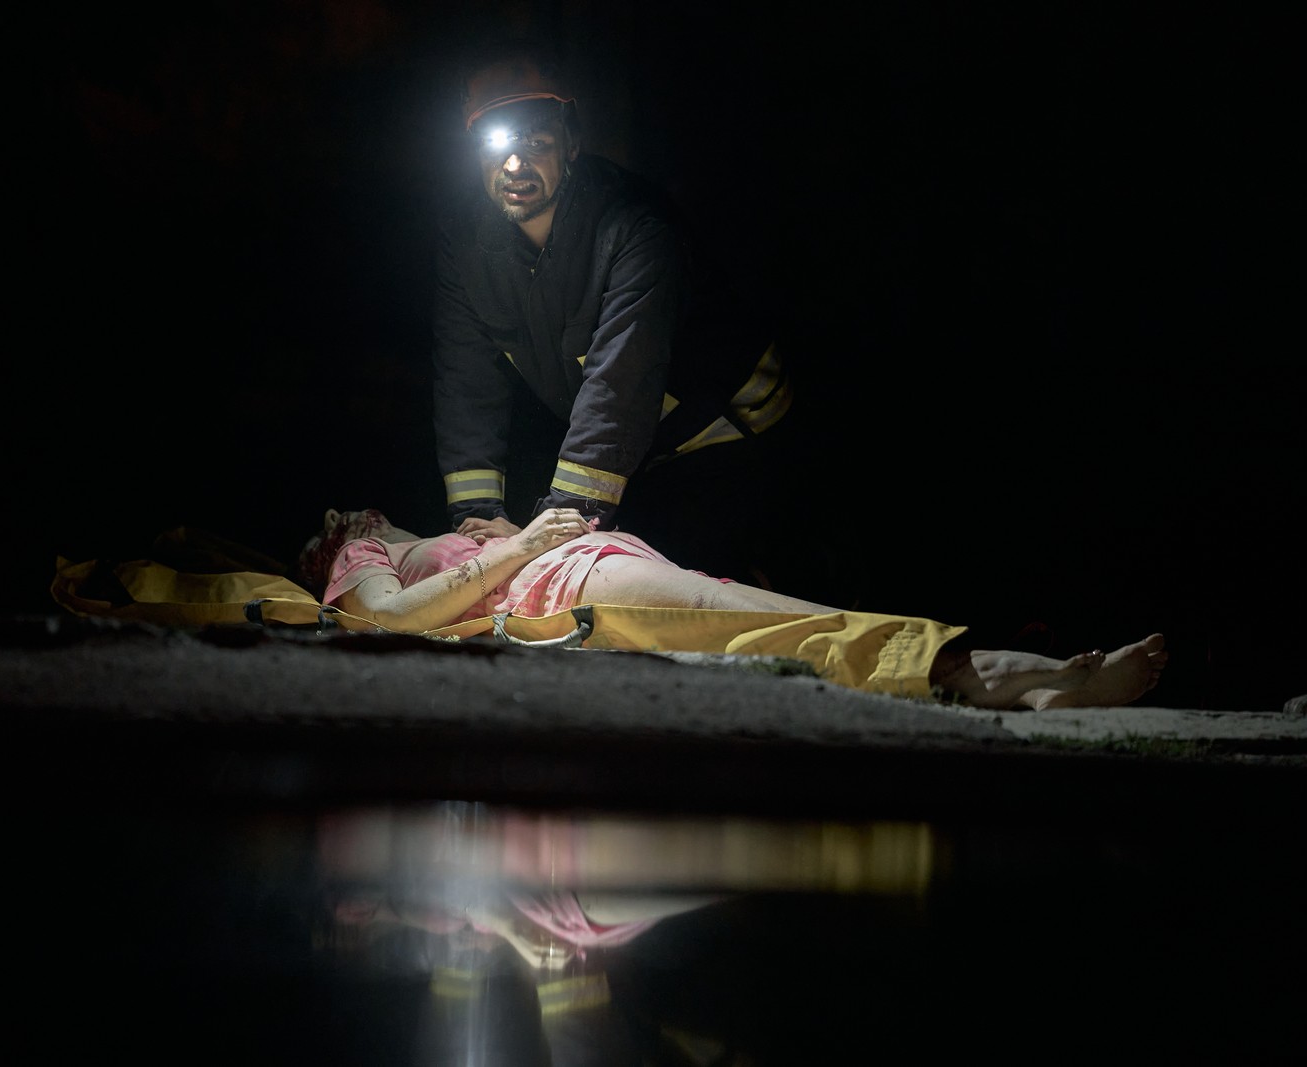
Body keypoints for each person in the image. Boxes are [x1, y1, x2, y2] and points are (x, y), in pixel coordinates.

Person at [429, 39, 822, 589]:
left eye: (536, 142)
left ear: (571, 145)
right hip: (634, 443)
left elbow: (621, 373)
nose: (515, 165)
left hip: (728, 426)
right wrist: (475, 517)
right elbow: (465, 376)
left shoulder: (634, 227)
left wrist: (566, 515)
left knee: (690, 578)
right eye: (497, 147)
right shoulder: (466, 243)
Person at [296, 506, 1168, 711]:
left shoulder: (451, 529)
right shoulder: (357, 544)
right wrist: (514, 547)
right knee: (788, 622)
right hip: (564, 584)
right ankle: (1003, 674)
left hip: (592, 562)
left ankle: (994, 675)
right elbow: (388, 617)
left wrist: (504, 535)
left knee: (777, 614)